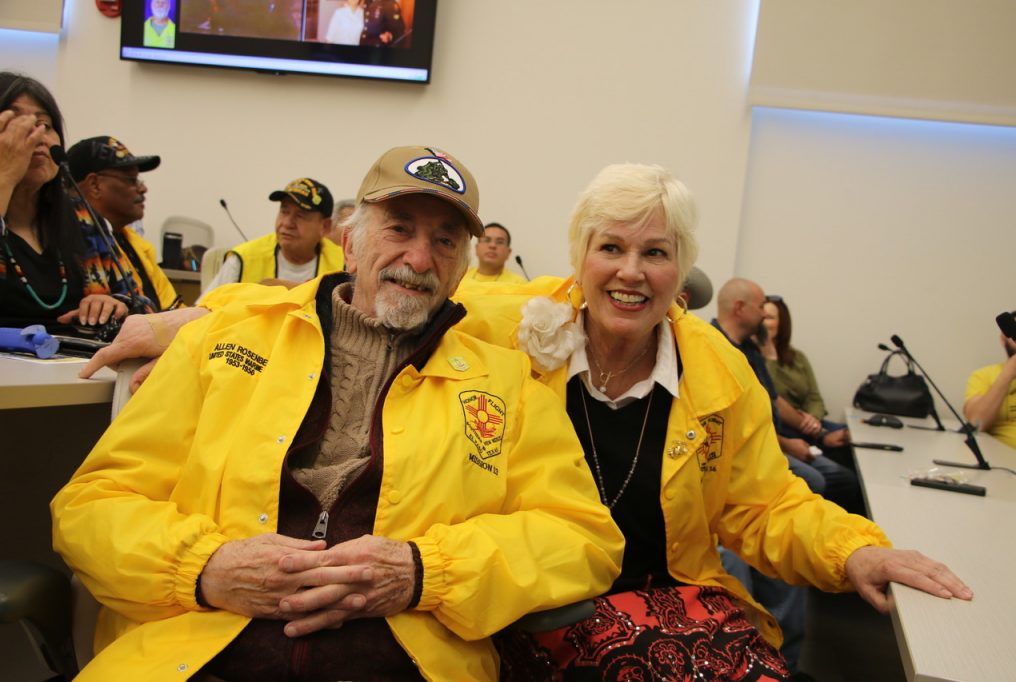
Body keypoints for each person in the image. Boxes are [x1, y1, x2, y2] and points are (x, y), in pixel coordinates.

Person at [51, 145, 624, 680]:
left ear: (460, 271)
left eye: (446, 242)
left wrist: (425, 573)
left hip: (400, 663)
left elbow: (582, 539)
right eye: (399, 230)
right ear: (350, 245)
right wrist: (205, 567)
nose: (419, 258)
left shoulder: (506, 384)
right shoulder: (222, 344)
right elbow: (90, 508)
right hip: (197, 655)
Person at [452, 163, 971, 679]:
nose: (631, 271)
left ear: (680, 271)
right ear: (580, 257)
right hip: (533, 603)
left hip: (673, 604)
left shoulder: (718, 369)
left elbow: (765, 506)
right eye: (610, 247)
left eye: (655, 252)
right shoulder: (505, 330)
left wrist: (854, 552)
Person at [713, 278, 864, 514]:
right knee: (816, 481)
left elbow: (773, 399)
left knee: (844, 476)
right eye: (761, 307)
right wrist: (785, 444)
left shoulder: (750, 349)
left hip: (771, 441)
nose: (764, 315)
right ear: (740, 308)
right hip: (748, 449)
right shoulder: (714, 348)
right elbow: (737, 422)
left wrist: (820, 434)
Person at [0, 72, 131, 330]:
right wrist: (4, 176)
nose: (37, 136)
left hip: (73, 365)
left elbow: (143, 305)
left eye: (45, 125)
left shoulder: (84, 219)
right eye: (15, 124)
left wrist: (116, 304)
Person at [67, 135, 181, 311]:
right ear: (95, 185)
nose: (143, 188)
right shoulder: (71, 239)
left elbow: (173, 308)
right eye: (131, 180)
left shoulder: (139, 245)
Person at [202, 177, 345, 295]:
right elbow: (204, 312)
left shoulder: (344, 264)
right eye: (284, 211)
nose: (287, 223)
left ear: (325, 226)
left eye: (300, 215)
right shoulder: (243, 259)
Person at [761, 295, 851, 452]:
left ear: (782, 323)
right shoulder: (752, 357)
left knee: (852, 436)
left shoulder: (797, 357)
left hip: (809, 423)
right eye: (761, 317)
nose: (763, 322)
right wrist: (770, 357)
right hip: (783, 427)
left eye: (769, 318)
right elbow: (769, 395)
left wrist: (813, 420)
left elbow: (814, 397)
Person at [964, 307, 1016, 453]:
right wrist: (1007, 375)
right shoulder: (984, 375)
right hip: (1007, 467)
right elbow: (976, 423)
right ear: (1004, 338)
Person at [461, 222, 527, 284]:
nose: (492, 246)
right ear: (477, 248)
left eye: (499, 242)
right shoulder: (459, 277)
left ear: (508, 252)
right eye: (487, 240)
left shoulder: (519, 283)